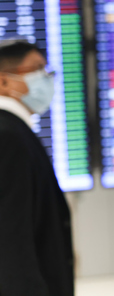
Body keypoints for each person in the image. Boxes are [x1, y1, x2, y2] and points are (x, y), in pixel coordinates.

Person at [0, 39, 75, 296]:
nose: (47, 77)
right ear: (4, 82)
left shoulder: (17, 131)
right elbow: (10, 240)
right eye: (37, 68)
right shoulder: (7, 137)